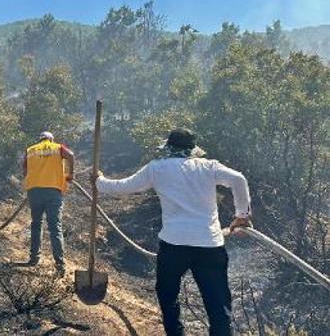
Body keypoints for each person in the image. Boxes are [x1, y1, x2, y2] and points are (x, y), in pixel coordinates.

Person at [93, 128, 251, 336]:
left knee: (167, 296)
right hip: (209, 245)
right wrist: (242, 216)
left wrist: (99, 181)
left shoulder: (157, 169)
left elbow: (123, 187)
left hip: (173, 246)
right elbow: (239, 179)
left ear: (168, 148)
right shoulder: (209, 166)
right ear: (192, 150)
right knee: (218, 303)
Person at [22, 131, 75, 277]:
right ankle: (60, 265)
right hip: (53, 191)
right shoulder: (57, 147)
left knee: (36, 224)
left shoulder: (30, 150)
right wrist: (71, 174)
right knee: (55, 227)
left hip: (34, 191)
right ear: (51, 139)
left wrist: (34, 180)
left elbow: (24, 170)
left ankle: (33, 259)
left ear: (40, 140)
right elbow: (71, 155)